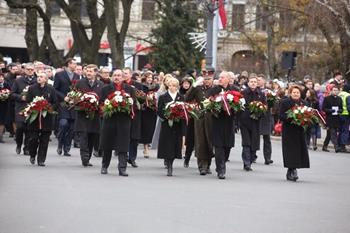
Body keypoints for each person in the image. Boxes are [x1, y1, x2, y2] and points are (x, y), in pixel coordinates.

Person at [100, 69, 135, 176]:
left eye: (119, 75)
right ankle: (104, 166)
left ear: (123, 77)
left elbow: (133, 104)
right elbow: (101, 103)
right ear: (111, 77)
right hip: (110, 119)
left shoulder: (130, 89)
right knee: (107, 144)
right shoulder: (106, 88)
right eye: (115, 75)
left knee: (123, 145)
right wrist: (109, 106)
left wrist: (125, 106)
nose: (117, 77)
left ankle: (122, 168)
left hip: (124, 120)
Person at [206, 71, 239, 179]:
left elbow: (240, 104)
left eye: (222, 77)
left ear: (228, 79)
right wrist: (214, 105)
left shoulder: (235, 89)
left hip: (230, 122)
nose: (219, 79)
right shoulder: (214, 90)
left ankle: (222, 162)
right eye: (219, 77)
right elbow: (207, 103)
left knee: (228, 146)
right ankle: (221, 169)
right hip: (217, 121)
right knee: (218, 145)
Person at [184, 71, 214, 175]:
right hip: (200, 117)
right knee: (200, 142)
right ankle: (202, 166)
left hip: (212, 118)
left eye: (209, 79)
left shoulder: (215, 89)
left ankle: (208, 165)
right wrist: (194, 85)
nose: (207, 81)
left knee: (210, 141)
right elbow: (186, 98)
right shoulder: (197, 89)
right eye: (205, 79)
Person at [74, 64, 103, 167]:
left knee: (92, 137)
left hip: (94, 116)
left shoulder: (100, 84)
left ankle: (88, 156)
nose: (89, 73)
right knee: (84, 137)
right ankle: (84, 157)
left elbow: (102, 99)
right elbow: (74, 96)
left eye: (91, 71)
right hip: (82, 114)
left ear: (95, 73)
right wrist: (81, 103)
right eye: (87, 71)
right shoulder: (80, 83)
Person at [26, 72, 57, 166]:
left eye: (41, 77)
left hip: (46, 118)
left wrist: (48, 107)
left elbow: (55, 102)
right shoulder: (32, 88)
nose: (39, 78)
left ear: (46, 79)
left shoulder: (51, 89)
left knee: (44, 140)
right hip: (34, 118)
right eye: (38, 76)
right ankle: (32, 154)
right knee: (33, 139)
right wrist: (34, 107)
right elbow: (28, 101)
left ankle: (41, 159)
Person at [279, 85, 310, 181]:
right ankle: (292, 170)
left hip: (299, 130)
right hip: (289, 130)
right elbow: (281, 116)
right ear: (290, 93)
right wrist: (293, 117)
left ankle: (293, 170)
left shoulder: (304, 103)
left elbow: (309, 115)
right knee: (290, 151)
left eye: (297, 93)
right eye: (294, 92)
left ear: (300, 94)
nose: (296, 94)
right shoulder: (285, 102)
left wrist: (303, 119)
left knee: (298, 150)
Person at [157, 76, 183, 176]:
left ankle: (171, 163)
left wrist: (178, 116)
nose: (172, 87)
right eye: (170, 85)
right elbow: (159, 111)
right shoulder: (163, 97)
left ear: (177, 87)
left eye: (174, 86)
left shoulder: (181, 97)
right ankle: (168, 165)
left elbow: (183, 110)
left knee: (174, 145)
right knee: (167, 145)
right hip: (166, 124)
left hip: (177, 125)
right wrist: (167, 116)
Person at [53, 58, 80, 156]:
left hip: (73, 104)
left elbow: (78, 89)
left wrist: (76, 98)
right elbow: (55, 89)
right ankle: (60, 143)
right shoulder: (59, 75)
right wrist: (63, 97)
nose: (76, 66)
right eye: (74, 64)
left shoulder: (77, 76)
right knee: (64, 124)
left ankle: (67, 148)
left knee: (72, 127)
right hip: (63, 103)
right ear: (69, 64)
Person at [240, 74, 266, 171]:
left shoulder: (261, 94)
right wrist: (240, 119)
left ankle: (250, 160)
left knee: (254, 143)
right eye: (251, 82)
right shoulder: (243, 93)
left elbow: (264, 107)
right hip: (245, 121)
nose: (253, 83)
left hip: (256, 122)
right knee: (246, 142)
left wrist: (259, 113)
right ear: (248, 83)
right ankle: (246, 163)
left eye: (255, 82)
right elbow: (240, 107)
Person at [10, 63, 37, 155]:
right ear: (24, 70)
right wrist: (21, 97)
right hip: (20, 108)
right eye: (28, 69)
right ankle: (18, 144)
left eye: (32, 69)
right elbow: (12, 94)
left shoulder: (37, 80)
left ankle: (27, 148)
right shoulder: (18, 80)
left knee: (29, 129)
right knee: (20, 128)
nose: (30, 71)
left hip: (32, 108)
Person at [123, 67, 143, 168]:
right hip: (124, 113)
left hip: (135, 113)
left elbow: (142, 97)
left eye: (126, 73)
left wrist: (140, 98)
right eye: (123, 73)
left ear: (131, 74)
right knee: (124, 135)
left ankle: (132, 158)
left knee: (134, 137)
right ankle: (124, 156)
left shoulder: (138, 85)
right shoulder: (121, 85)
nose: (124, 75)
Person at [139, 71, 159, 157]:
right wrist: (146, 98)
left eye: (151, 77)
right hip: (145, 110)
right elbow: (140, 96)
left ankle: (148, 144)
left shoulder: (156, 86)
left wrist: (155, 97)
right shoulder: (142, 86)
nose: (150, 79)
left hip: (153, 110)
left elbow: (158, 95)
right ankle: (145, 148)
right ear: (145, 78)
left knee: (151, 128)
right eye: (148, 77)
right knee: (145, 129)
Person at [257, 74, 273, 165]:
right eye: (257, 80)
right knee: (255, 137)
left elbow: (273, 103)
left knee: (267, 138)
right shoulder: (255, 90)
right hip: (257, 116)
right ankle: (253, 155)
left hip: (266, 117)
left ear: (264, 81)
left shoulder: (269, 91)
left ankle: (268, 158)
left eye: (260, 80)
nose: (258, 81)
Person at [322, 85, 343, 153]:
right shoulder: (327, 98)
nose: (335, 91)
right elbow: (323, 108)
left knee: (329, 134)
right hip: (329, 118)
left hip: (336, 118)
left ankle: (324, 146)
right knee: (333, 133)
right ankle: (336, 147)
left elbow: (341, 108)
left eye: (336, 90)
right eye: (334, 90)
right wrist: (330, 110)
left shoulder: (339, 98)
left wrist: (340, 110)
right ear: (331, 91)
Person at [337, 84, 350, 153]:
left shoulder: (339, 94)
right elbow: (349, 106)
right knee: (345, 130)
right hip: (346, 115)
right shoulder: (348, 95)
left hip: (339, 114)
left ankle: (338, 145)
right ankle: (343, 146)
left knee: (340, 130)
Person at [0, 72, 11, 143]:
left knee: (2, 121)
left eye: (1, 77)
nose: (0, 79)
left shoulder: (6, 84)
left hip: (4, 105)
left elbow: (10, 92)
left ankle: (0, 136)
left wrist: (6, 95)